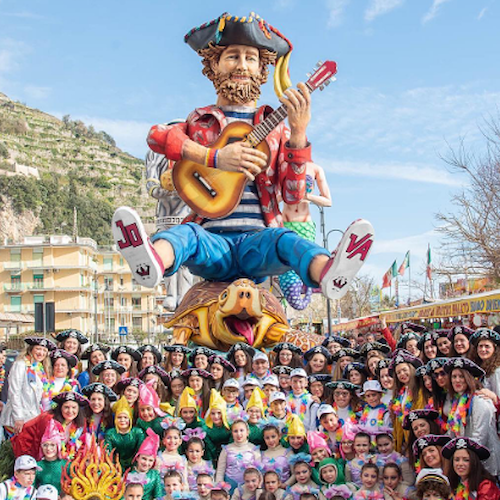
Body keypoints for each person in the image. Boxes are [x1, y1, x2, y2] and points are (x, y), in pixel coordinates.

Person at [112, 12, 374, 308]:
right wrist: (215, 157)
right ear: (214, 64)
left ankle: (328, 272)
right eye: (232, 56)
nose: (241, 65)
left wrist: (299, 133)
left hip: (258, 241)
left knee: (286, 241)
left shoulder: (277, 130)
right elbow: (157, 137)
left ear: (262, 68)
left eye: (250, 58)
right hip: (209, 238)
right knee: (184, 235)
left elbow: (294, 194)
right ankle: (153, 261)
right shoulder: (199, 120)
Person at [279, 161, 332, 310]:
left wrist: (307, 196)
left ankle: (319, 276)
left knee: (307, 261)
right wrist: (285, 194)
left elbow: (328, 201)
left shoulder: (316, 168)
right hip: (285, 225)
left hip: (305, 226)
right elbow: (271, 198)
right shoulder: (281, 165)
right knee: (289, 282)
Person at [0, 337, 56, 435]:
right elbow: (14, 392)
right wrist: (18, 417)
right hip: (17, 420)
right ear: (31, 349)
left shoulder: (39, 368)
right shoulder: (20, 365)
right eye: (38, 349)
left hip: (32, 418)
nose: (41, 353)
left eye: (44, 350)